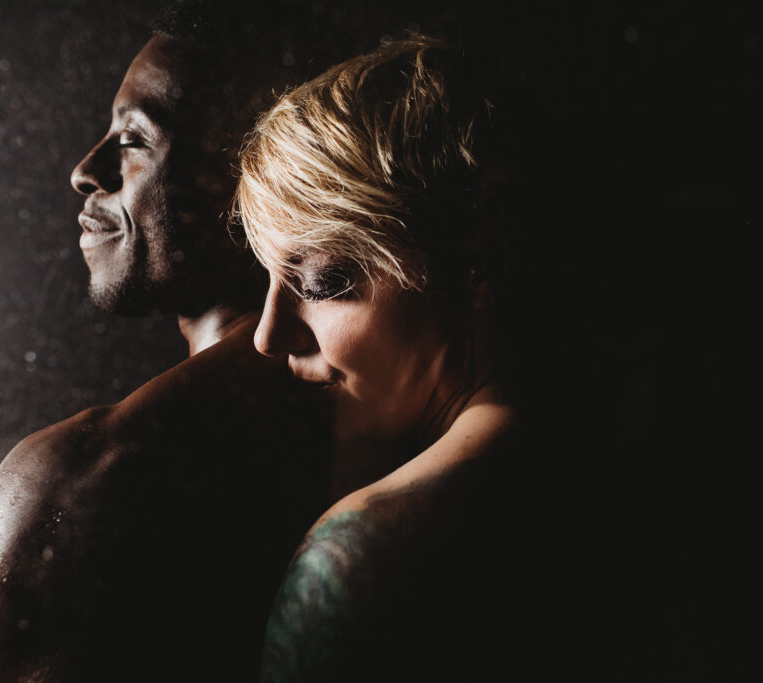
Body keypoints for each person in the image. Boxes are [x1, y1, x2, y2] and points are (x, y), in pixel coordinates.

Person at [0, 4, 336, 681]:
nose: (86, 169)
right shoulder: (390, 409)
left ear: (250, 177)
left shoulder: (84, 484)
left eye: (135, 139)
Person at [233, 33, 544, 682]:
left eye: (320, 280)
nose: (267, 335)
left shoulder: (357, 559)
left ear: (480, 259)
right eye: (264, 278)